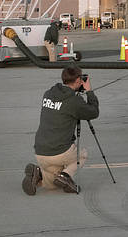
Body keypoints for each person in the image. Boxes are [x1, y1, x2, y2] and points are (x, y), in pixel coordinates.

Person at [23, 66, 99, 195]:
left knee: (51, 185)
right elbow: (93, 112)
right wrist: (89, 92)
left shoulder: (48, 93)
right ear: (77, 81)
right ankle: (65, 176)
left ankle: (39, 173)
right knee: (82, 155)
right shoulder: (74, 101)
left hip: (40, 150)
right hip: (59, 151)